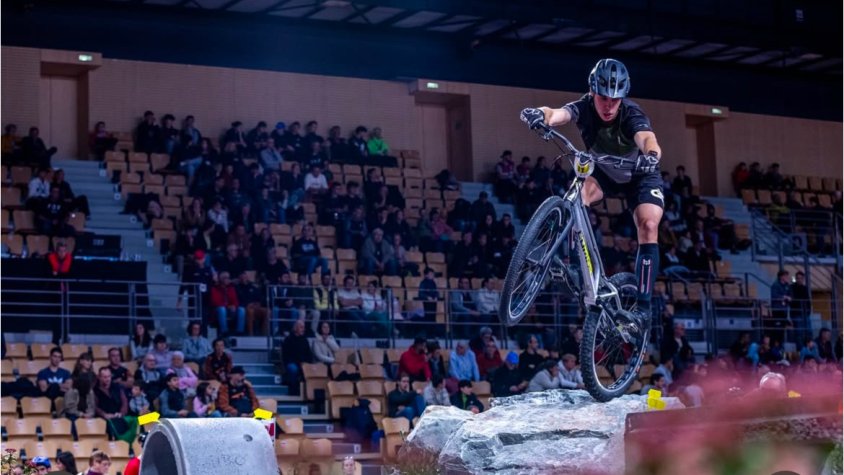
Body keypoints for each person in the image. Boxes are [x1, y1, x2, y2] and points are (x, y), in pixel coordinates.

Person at [521, 58, 663, 331]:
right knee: (575, 198)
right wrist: (538, 114)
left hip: (639, 175)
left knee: (648, 224)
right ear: (592, 91)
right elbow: (557, 113)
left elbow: (648, 139)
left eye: (614, 99)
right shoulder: (584, 107)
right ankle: (577, 268)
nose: (609, 106)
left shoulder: (631, 113)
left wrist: (652, 155)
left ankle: (644, 309)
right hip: (604, 173)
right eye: (602, 98)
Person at [210, 271, 246, 336]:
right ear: (220, 279)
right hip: (218, 309)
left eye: (228, 278)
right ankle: (224, 331)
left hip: (230, 309)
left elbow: (235, 301)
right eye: (225, 277)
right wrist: (227, 306)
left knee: (241, 309)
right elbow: (216, 302)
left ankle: (239, 331)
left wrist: (234, 306)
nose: (227, 279)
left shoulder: (231, 288)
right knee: (222, 309)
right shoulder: (215, 288)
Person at [282, 319, 313, 396]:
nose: (303, 329)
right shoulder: (288, 339)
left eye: (303, 327)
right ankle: (293, 391)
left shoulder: (305, 340)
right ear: (295, 328)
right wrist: (299, 363)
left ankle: (308, 393)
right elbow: (286, 355)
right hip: (292, 362)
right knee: (293, 369)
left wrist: (307, 363)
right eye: (301, 327)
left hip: (303, 363)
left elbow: (309, 354)